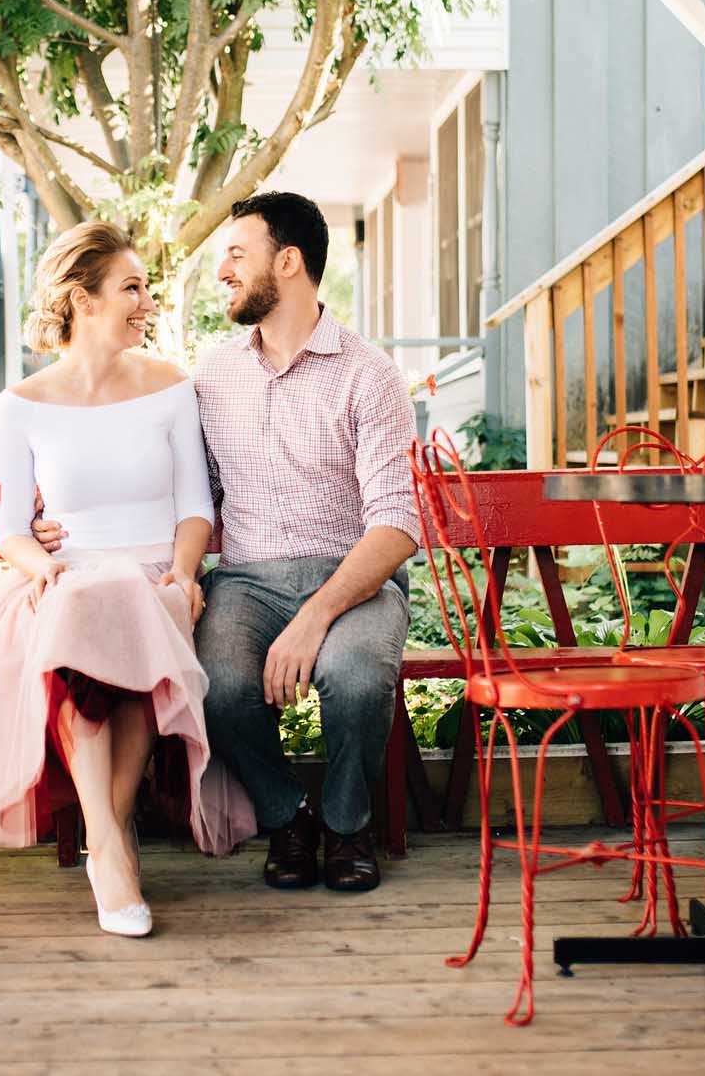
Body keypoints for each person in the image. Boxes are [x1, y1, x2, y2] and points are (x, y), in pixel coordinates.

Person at [37, 193, 419, 894]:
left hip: (353, 576)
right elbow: (180, 490)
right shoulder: (212, 376)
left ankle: (344, 824)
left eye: (236, 255)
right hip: (246, 581)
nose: (222, 271)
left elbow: (396, 523)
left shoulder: (371, 374)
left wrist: (315, 616)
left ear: (290, 262)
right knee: (215, 683)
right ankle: (289, 813)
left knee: (357, 677)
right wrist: (58, 516)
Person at [0, 221, 254, 939]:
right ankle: (111, 839)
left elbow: (196, 506)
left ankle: (106, 837)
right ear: (82, 299)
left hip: (159, 576)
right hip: (66, 578)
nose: (147, 303)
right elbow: (8, 529)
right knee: (89, 609)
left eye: (146, 289)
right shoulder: (22, 404)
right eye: (131, 288)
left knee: (130, 601)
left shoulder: (169, 387)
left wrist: (185, 573)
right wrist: (47, 569)